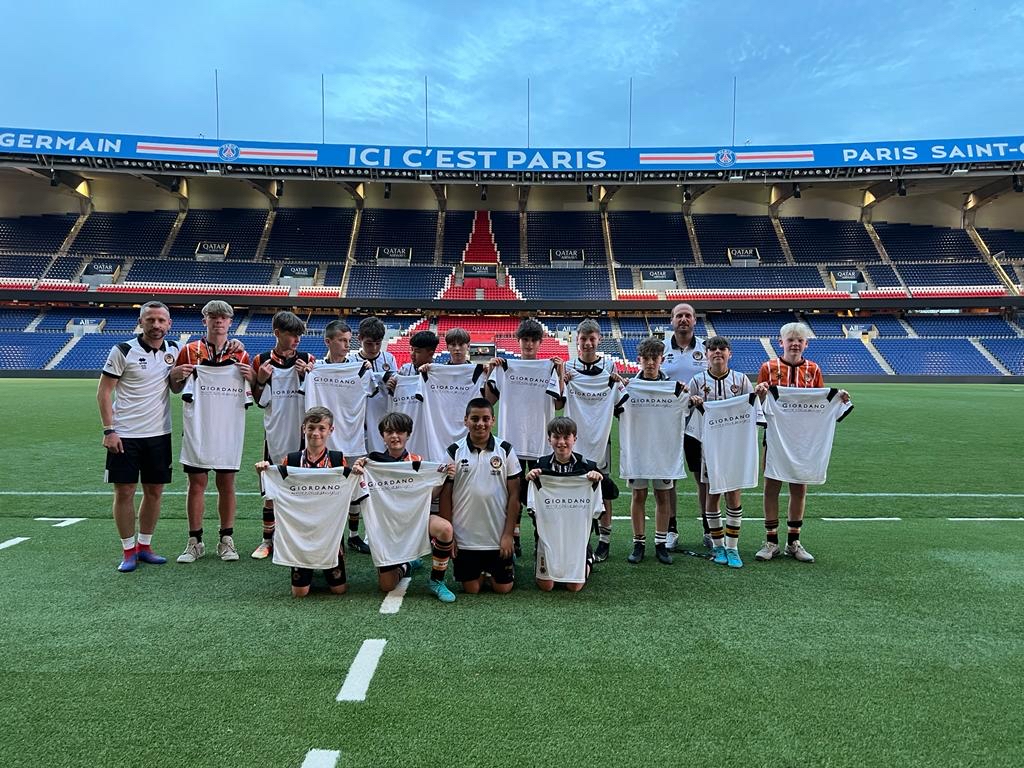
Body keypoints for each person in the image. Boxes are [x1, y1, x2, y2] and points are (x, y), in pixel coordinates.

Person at [97, 301, 185, 572]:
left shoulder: (174, 350)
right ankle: (128, 550)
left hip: (159, 433)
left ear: (169, 324)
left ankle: (145, 546)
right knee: (124, 491)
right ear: (141, 322)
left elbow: (175, 389)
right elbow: (104, 392)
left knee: (155, 491)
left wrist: (178, 377)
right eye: (151, 320)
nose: (156, 325)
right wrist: (109, 430)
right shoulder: (123, 350)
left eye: (161, 320)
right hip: (125, 434)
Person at [755, 322, 850, 563]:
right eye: (791, 340)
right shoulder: (768, 367)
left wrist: (839, 399)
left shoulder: (814, 369)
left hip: (804, 439)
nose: (795, 344)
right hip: (775, 436)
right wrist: (761, 393)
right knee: (771, 486)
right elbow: (759, 404)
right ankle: (771, 541)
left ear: (806, 344)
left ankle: (793, 541)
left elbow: (819, 404)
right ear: (781, 342)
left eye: (800, 340)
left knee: (799, 487)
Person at [173, 300, 253, 564]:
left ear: (230, 322)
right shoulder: (189, 350)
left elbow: (255, 391)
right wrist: (176, 374)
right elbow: (175, 387)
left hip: (228, 428)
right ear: (204, 320)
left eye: (224, 317)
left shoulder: (240, 355)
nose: (219, 321)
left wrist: (251, 376)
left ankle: (226, 539)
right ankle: (194, 540)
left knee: (226, 484)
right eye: (213, 316)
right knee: (196, 484)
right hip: (198, 427)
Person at [255, 406, 361, 597]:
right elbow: (273, 494)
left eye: (321, 428)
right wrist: (263, 471)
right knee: (300, 593)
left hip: (329, 534)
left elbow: (350, 493)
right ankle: (308, 567)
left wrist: (357, 473)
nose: (316, 433)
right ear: (303, 428)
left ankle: (325, 562)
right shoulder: (291, 460)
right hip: (300, 535)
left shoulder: (338, 460)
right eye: (311, 427)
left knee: (339, 590)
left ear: (331, 431)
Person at [353, 412, 457, 603]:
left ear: (408, 434)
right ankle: (407, 565)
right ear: (382, 435)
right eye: (389, 432)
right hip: (387, 527)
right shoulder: (371, 462)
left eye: (400, 432)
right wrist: (358, 468)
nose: (395, 436)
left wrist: (446, 476)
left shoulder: (418, 461)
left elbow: (428, 495)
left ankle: (437, 581)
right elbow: (357, 493)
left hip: (416, 520)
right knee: (386, 586)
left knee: (445, 529)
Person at [484, 318, 564, 558]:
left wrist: (559, 374)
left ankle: (542, 539)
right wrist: (490, 371)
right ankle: (514, 538)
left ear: (540, 342)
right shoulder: (506, 367)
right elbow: (489, 401)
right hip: (513, 443)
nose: (529, 344)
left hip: (541, 444)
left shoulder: (549, 367)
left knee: (542, 496)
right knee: (514, 496)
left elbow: (559, 404)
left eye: (533, 340)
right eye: (525, 340)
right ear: (518, 342)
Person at [617, 336, 689, 566]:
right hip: (637, 449)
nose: (650, 363)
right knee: (638, 495)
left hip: (663, 451)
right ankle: (638, 543)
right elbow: (616, 411)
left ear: (662, 359)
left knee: (662, 495)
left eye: (654, 358)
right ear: (639, 360)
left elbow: (686, 406)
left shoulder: (675, 389)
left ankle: (660, 543)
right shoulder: (629, 387)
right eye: (646, 358)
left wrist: (689, 395)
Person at [438, 398, 522, 594]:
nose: (480, 424)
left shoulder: (506, 450)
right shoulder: (454, 451)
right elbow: (445, 495)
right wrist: (451, 538)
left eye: (485, 419)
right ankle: (482, 572)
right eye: (474, 419)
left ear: (493, 420)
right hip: (465, 539)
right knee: (472, 589)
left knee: (503, 588)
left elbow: (515, 495)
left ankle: (504, 565)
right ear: (466, 420)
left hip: (497, 536)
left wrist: (508, 534)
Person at [249, 311, 314, 560]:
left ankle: (298, 537)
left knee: (302, 487)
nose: (297, 340)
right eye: (292, 335)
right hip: (275, 431)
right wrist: (262, 381)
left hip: (302, 434)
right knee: (272, 488)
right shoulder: (262, 360)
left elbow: (315, 396)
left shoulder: (307, 359)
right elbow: (258, 400)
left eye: (299, 335)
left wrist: (306, 374)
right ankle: (267, 540)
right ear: (277, 333)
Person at [687, 337, 757, 568]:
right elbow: (686, 408)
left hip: (735, 445)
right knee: (711, 494)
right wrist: (693, 401)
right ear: (706, 354)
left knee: (734, 494)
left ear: (730, 354)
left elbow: (753, 406)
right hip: (709, 447)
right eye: (712, 349)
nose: (717, 352)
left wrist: (762, 394)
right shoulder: (697, 380)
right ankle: (718, 546)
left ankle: (733, 547)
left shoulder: (741, 380)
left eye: (722, 349)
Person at [562, 317, 623, 562]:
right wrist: (561, 382)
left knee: (604, 489)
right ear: (577, 341)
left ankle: (605, 541)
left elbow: (621, 406)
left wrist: (620, 384)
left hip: (600, 440)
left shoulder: (609, 369)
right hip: (573, 444)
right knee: (576, 489)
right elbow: (558, 401)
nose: (588, 343)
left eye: (592, 339)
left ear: (599, 340)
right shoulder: (567, 368)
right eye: (583, 339)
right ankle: (579, 539)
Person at [524, 417, 604, 592]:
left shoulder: (587, 466)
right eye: (556, 437)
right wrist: (528, 480)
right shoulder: (541, 465)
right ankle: (542, 554)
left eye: (566, 437)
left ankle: (587, 556)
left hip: (575, 536)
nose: (561, 442)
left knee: (574, 587)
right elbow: (526, 500)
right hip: (547, 534)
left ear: (574, 439)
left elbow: (613, 493)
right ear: (549, 439)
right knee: (546, 586)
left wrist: (599, 478)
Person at [659, 302, 708, 551]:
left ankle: (709, 529)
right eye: (679, 316)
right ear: (671, 320)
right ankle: (671, 529)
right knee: (671, 478)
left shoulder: (707, 349)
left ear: (695, 321)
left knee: (703, 477)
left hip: (699, 422)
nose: (683, 319)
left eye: (688, 315)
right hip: (668, 422)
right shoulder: (660, 349)